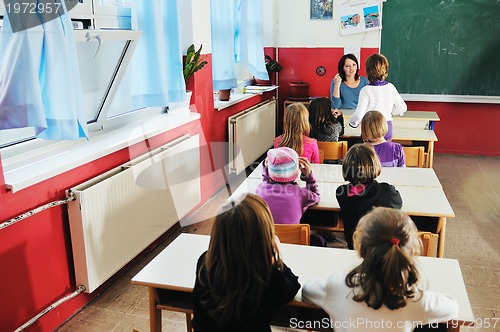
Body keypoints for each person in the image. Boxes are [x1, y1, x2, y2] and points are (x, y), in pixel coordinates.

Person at [302, 207, 459, 332]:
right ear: (411, 250)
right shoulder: (415, 300)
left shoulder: (337, 285)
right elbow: (453, 308)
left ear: (360, 247)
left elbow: (307, 291)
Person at [192, 193, 301, 332]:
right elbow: (293, 285)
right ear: (263, 236)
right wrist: (274, 255)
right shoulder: (268, 276)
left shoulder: (205, 263)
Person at [336, 143, 402, 249]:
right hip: (380, 249)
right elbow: (398, 203)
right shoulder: (387, 192)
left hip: (355, 247)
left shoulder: (341, 193)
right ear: (374, 165)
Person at [349, 53, 407, 140]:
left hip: (370, 129)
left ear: (367, 71)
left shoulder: (365, 90)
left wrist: (353, 123)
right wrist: (391, 112)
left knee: (369, 153)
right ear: (386, 70)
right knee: (386, 152)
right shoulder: (390, 87)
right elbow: (402, 107)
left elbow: (359, 114)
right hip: (386, 127)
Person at [256, 147, 320, 225]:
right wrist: (308, 176)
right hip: (293, 237)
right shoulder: (301, 194)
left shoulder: (260, 190)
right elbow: (316, 196)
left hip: (266, 236)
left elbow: (265, 181)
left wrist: (266, 168)